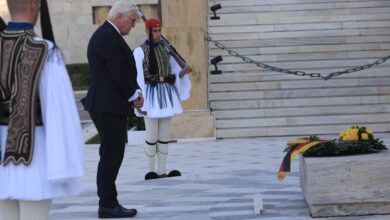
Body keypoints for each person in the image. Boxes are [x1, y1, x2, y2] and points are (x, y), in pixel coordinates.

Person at [0, 0, 85, 220]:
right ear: (33, 5)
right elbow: (59, 111)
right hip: (33, 153)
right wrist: (63, 162)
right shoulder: (43, 49)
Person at [81, 1, 143, 218]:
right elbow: (117, 72)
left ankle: (109, 202)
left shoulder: (108, 34)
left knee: (111, 153)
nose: (133, 25)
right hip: (107, 105)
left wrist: (134, 92)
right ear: (120, 17)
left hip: (109, 105)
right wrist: (134, 95)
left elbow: (120, 71)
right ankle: (107, 204)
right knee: (111, 154)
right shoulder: (108, 36)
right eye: (132, 20)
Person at [133, 18, 191, 180]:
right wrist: (139, 100)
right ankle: (150, 170)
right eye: (155, 31)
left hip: (166, 93)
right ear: (147, 32)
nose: (158, 34)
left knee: (164, 136)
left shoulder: (166, 50)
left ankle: (162, 170)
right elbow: (137, 77)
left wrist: (183, 72)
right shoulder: (139, 51)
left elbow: (173, 71)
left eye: (159, 31)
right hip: (150, 95)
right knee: (152, 135)